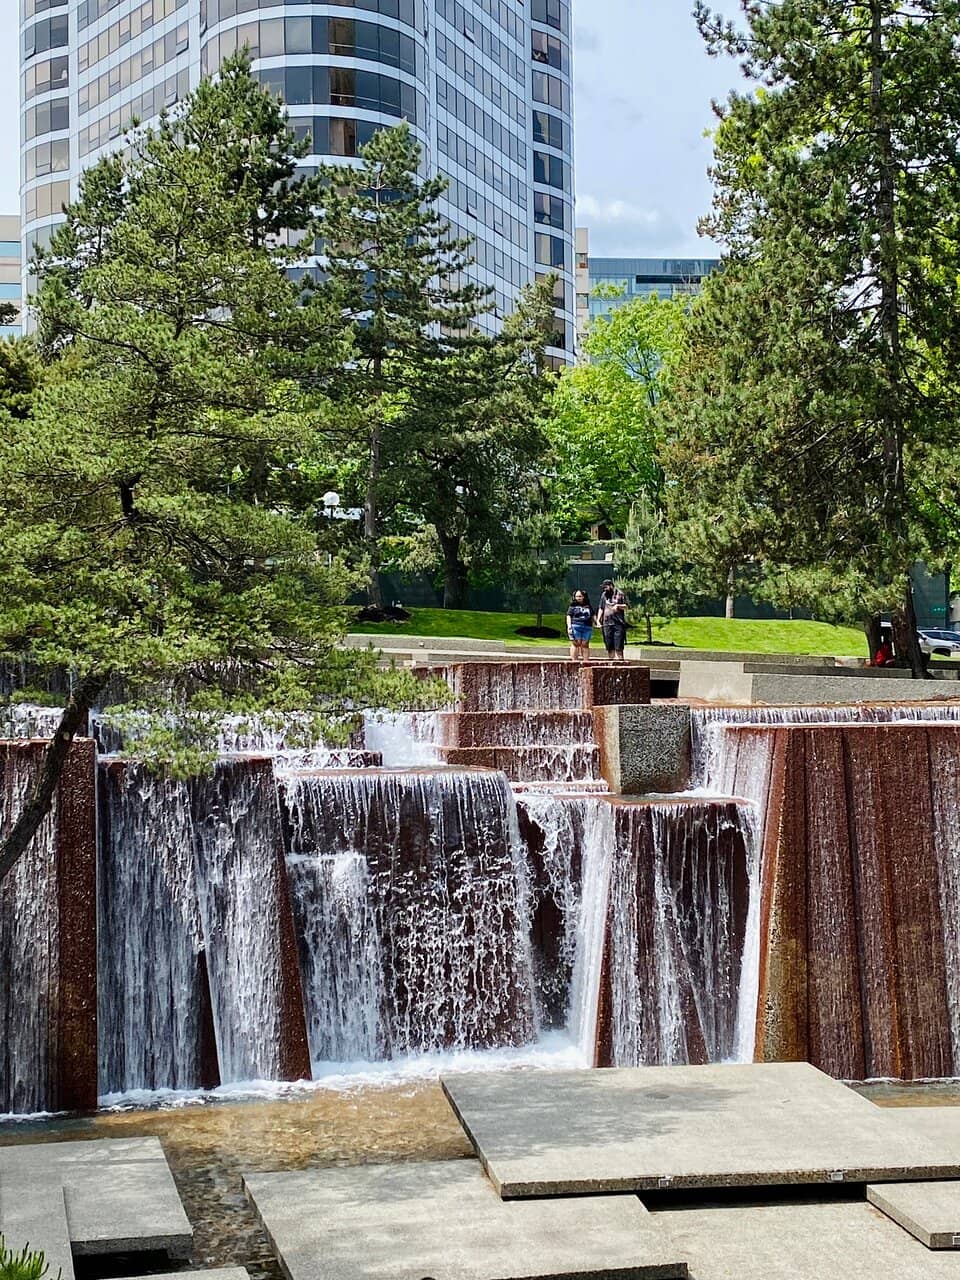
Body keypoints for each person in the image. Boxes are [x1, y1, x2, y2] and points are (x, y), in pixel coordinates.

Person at [596, 578, 628, 660]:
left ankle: (620, 663)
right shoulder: (604, 595)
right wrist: (598, 620)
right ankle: (611, 662)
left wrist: (618, 606)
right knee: (609, 647)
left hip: (618, 623)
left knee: (618, 647)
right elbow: (601, 608)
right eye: (603, 588)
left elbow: (626, 606)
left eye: (606, 587)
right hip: (607, 623)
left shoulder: (620, 594)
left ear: (611, 586)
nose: (604, 589)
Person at [566, 589, 593, 661]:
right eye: (577, 596)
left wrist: (597, 623)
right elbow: (568, 616)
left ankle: (586, 662)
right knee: (576, 643)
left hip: (587, 627)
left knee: (585, 644)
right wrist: (569, 626)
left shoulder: (588, 606)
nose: (578, 598)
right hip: (576, 626)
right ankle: (574, 662)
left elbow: (593, 615)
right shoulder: (572, 606)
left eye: (580, 596)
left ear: (583, 597)